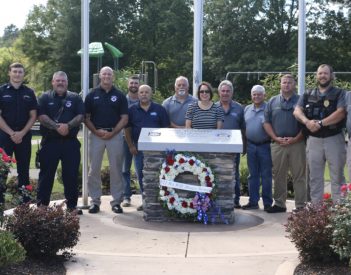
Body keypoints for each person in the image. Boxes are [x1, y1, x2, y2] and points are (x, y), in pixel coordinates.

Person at [294, 64, 346, 202]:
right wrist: (307, 122)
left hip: (334, 139)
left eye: (326, 73)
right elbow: (297, 111)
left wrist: (320, 123)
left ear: (331, 76)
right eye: (320, 73)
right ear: (316, 75)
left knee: (338, 177)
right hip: (314, 140)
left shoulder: (340, 93)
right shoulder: (308, 93)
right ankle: (316, 214)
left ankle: (339, 213)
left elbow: (340, 113)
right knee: (315, 178)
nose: (322, 76)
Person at [36, 71, 84, 214]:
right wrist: (57, 127)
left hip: (70, 143)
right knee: (46, 175)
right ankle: (42, 206)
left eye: (63, 81)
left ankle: (72, 207)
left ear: (67, 83)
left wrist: (68, 126)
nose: (60, 83)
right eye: (58, 80)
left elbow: (81, 115)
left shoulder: (75, 98)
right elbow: (41, 116)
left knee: (71, 175)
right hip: (50, 142)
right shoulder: (44, 97)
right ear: (53, 82)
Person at [84, 66, 128, 214]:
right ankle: (95, 202)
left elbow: (124, 118)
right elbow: (86, 117)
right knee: (93, 169)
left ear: (113, 76)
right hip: (96, 135)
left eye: (109, 74)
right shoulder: (92, 95)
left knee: (116, 169)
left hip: (114, 135)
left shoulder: (120, 95)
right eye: (104, 74)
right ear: (100, 76)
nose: (107, 76)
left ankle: (116, 202)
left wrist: (114, 132)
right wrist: (95, 131)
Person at [263, 74, 306, 213]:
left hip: (297, 144)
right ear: (280, 84)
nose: (286, 84)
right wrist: (275, 138)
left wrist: (295, 139)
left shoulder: (301, 100)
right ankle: (280, 204)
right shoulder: (272, 101)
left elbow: (306, 123)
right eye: (284, 82)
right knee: (279, 175)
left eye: (289, 82)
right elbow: (266, 122)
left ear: (294, 84)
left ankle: (300, 205)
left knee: (299, 175)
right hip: (278, 144)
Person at [125, 84, 170, 210]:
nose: (144, 94)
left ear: (151, 94)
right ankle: (146, 201)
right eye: (141, 92)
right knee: (141, 175)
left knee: (158, 174)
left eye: (146, 92)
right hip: (138, 149)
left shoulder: (160, 109)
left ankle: (158, 201)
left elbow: (166, 129)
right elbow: (127, 129)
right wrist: (131, 146)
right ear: (138, 94)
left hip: (157, 151)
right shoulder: (132, 110)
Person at [0, 63, 37, 204]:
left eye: (20, 72)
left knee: (24, 171)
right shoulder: (1, 91)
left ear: (23, 74)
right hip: (4, 136)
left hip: (24, 137)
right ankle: (0, 204)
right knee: (2, 172)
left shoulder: (29, 92)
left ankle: (25, 204)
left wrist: (21, 133)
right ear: (9, 73)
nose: (17, 74)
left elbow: (33, 115)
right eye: (14, 71)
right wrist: (11, 133)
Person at [242, 85, 273, 210]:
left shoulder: (268, 109)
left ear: (264, 95)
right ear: (251, 95)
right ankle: (253, 202)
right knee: (252, 175)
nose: (256, 96)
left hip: (265, 146)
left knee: (266, 175)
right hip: (250, 146)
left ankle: (267, 203)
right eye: (254, 94)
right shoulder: (247, 109)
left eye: (259, 94)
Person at [215, 80, 244, 208]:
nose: (225, 93)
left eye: (228, 91)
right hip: (216, 148)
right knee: (217, 172)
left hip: (233, 148)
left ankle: (235, 199)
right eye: (223, 91)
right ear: (219, 92)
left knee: (234, 173)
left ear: (232, 92)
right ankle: (218, 198)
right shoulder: (213, 107)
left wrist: (244, 146)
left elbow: (243, 128)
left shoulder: (239, 108)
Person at [122, 75, 140, 207]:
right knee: (124, 169)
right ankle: (126, 196)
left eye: (136, 83)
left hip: (141, 140)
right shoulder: (122, 100)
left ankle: (144, 197)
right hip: (124, 139)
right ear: (128, 85)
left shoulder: (144, 99)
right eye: (132, 83)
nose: (134, 85)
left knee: (141, 170)